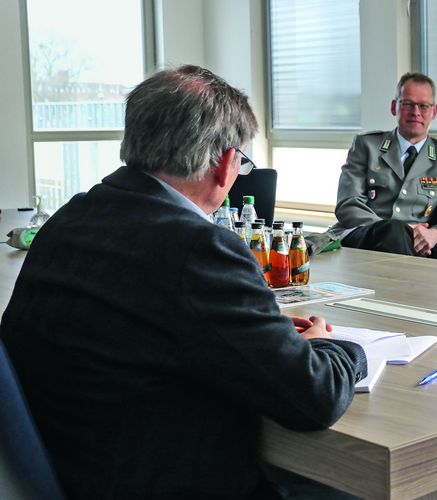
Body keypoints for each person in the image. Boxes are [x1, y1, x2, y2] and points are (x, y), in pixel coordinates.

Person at [0, 65, 367, 499]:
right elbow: (315, 397)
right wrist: (333, 344)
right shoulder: (199, 248)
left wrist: (259, 335)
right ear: (226, 163)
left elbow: (151, 327)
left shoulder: (71, 217)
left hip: (72, 471)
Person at [330, 72, 437, 259]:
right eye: (407, 104)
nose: (415, 112)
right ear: (394, 107)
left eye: (423, 106)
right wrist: (394, 230)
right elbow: (348, 204)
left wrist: (436, 234)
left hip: (421, 248)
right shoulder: (366, 146)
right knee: (393, 232)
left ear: (434, 112)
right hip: (366, 239)